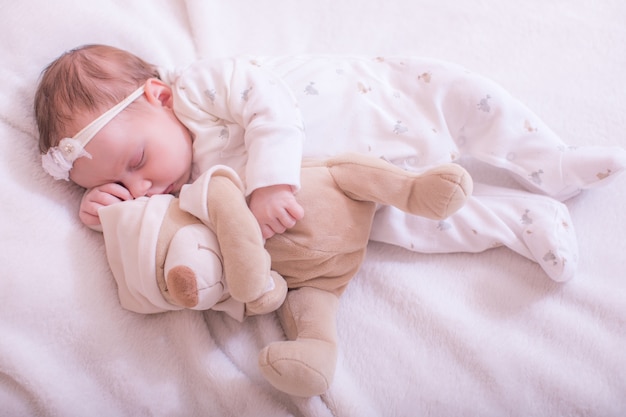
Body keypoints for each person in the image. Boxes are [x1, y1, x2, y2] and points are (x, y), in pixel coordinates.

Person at [35, 44, 626, 282]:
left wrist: (268, 184)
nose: (139, 184)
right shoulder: (185, 193)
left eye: (136, 160)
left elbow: (267, 105)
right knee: (412, 224)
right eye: (118, 183)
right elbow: (177, 242)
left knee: (467, 99)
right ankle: (521, 222)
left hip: (379, 101)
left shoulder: (201, 88)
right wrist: (111, 215)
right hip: (352, 183)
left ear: (159, 98)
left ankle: (550, 161)